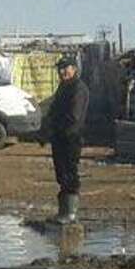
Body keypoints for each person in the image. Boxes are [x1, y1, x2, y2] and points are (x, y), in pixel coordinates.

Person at [41, 55, 89, 223]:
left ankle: (71, 213)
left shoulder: (78, 88)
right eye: (60, 69)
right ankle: (63, 212)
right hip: (59, 137)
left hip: (71, 137)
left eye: (65, 68)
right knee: (61, 174)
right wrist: (46, 130)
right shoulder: (63, 87)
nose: (62, 72)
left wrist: (61, 128)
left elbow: (74, 116)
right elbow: (54, 110)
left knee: (70, 173)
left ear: (74, 69)